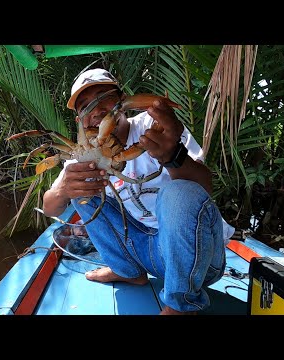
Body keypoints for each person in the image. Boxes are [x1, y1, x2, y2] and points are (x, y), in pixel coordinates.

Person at [42, 68, 234, 315]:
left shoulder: (155, 128)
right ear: (79, 119)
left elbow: (204, 188)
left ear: (122, 102)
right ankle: (128, 272)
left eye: (104, 98)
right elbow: (49, 207)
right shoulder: (82, 155)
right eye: (85, 106)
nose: (96, 110)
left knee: (178, 192)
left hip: (197, 260)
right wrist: (64, 190)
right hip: (143, 250)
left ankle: (181, 305)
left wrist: (173, 157)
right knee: (80, 187)